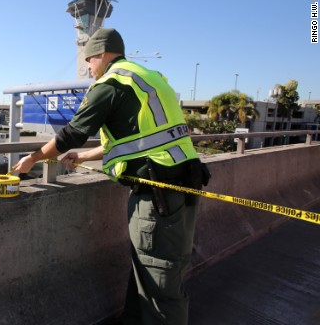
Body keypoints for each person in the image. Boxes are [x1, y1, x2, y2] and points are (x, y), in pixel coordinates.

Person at [12, 28, 207, 325]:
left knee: (160, 286)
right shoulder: (148, 78)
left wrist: (33, 158)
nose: (89, 69)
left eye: (89, 61)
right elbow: (137, 141)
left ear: (101, 55)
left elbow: (72, 134)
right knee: (149, 273)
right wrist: (85, 157)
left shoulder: (111, 83)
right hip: (183, 188)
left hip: (157, 199)